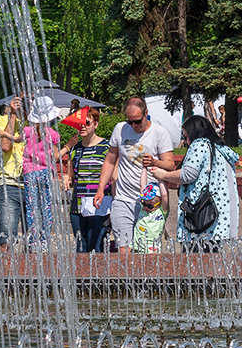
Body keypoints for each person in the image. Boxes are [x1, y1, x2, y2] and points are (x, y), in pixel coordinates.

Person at [94, 97, 175, 253]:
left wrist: (155, 162)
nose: (134, 126)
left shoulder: (159, 133)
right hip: (123, 200)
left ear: (146, 113)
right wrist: (100, 188)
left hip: (149, 203)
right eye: (130, 121)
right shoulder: (120, 129)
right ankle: (125, 278)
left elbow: (170, 165)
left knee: (146, 251)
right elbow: (110, 161)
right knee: (123, 250)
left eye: (137, 121)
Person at [151, 115, 240, 249]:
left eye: (186, 136)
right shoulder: (220, 148)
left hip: (200, 220)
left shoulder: (199, 144)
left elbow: (188, 175)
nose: (186, 142)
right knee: (211, 263)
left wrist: (163, 174)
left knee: (195, 263)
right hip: (218, 218)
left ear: (194, 133)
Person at [64, 107, 110, 253]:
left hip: (99, 205)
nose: (82, 126)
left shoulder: (106, 147)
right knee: (80, 248)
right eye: (79, 124)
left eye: (87, 123)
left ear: (96, 124)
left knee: (98, 247)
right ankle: (80, 277)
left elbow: (113, 175)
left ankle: (100, 276)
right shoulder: (76, 148)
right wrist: (66, 178)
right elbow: (71, 175)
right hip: (78, 206)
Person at [22, 95, 60, 248]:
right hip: (45, 172)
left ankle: (33, 239)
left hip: (29, 172)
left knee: (31, 206)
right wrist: (68, 146)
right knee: (46, 206)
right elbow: (56, 157)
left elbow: (17, 139)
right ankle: (44, 238)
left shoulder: (27, 131)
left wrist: (4, 134)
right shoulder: (53, 134)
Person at [0, 98, 25, 251]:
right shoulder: (2, 120)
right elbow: (5, 146)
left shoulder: (36, 123)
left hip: (34, 185)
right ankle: (6, 272)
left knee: (36, 241)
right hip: (10, 184)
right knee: (6, 239)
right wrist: (12, 116)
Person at [131, 181, 167, 253]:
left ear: (159, 202)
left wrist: (161, 179)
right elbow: (142, 185)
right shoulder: (143, 209)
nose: (145, 208)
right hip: (137, 246)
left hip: (152, 248)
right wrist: (144, 169)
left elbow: (164, 195)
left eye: (150, 206)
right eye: (144, 203)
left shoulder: (161, 211)